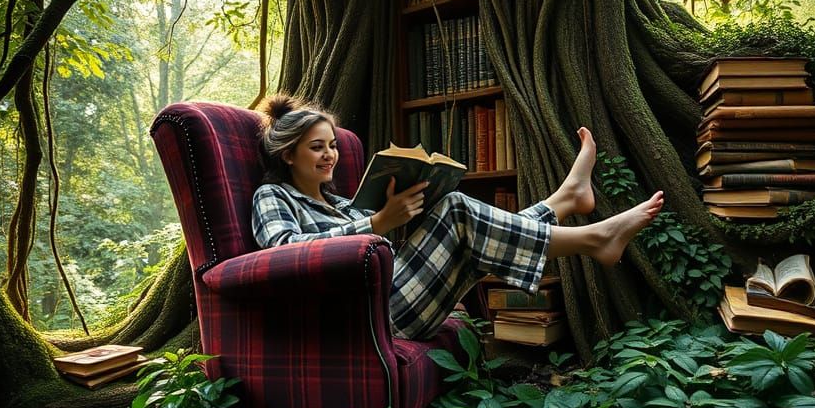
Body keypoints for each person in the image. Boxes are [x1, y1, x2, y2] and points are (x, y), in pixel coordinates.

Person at [251, 94, 664, 340]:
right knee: (457, 212)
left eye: (333, 146)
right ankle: (594, 237)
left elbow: (377, 246)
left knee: (463, 224)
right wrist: (378, 223)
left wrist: (408, 209)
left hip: (391, 294)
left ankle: (564, 200)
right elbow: (283, 253)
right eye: (317, 148)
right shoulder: (271, 196)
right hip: (360, 317)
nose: (330, 156)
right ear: (288, 155)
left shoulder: (340, 204)